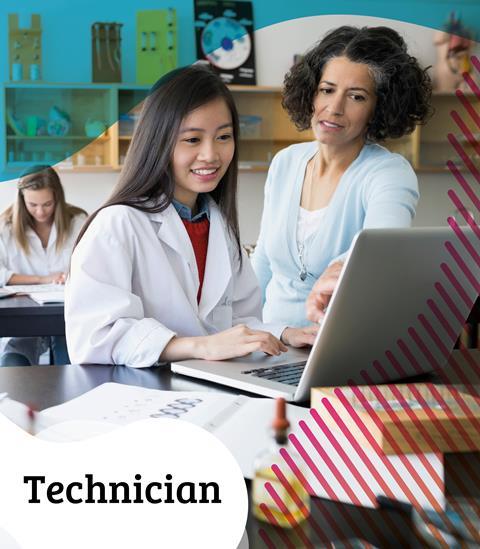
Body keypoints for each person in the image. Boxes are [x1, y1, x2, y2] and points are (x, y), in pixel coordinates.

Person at [65, 66, 316, 368]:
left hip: (209, 383)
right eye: (193, 140)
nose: (211, 154)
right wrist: (200, 346)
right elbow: (95, 336)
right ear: (159, 142)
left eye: (223, 136)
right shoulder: (118, 224)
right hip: (143, 394)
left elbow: (235, 321)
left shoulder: (218, 225)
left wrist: (284, 333)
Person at [251, 26, 432, 327]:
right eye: (327, 89)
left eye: (357, 97)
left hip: (338, 348)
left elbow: (380, 249)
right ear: (311, 92)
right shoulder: (285, 162)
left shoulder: (388, 173)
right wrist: (240, 328)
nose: (334, 108)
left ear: (379, 108)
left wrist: (340, 268)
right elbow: (264, 263)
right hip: (272, 343)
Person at [0, 165, 87, 366]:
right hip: (23, 318)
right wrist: (43, 279)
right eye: (32, 204)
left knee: (68, 351)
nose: (40, 212)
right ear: (22, 200)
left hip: (66, 314)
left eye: (47, 204)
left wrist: (73, 275)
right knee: (15, 357)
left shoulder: (78, 221)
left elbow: (93, 266)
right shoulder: (5, 227)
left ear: (57, 197)